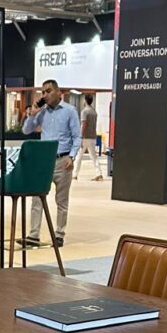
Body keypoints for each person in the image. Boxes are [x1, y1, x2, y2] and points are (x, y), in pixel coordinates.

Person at [22, 79, 80, 248]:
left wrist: (72, 156)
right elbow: (26, 130)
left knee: (61, 201)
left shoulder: (70, 111)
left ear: (58, 92)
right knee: (37, 198)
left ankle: (59, 234)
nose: (45, 95)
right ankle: (34, 235)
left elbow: (77, 137)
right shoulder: (41, 112)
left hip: (63, 161)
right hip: (44, 162)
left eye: (48, 91)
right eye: (43, 92)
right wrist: (32, 114)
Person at [74, 94, 104, 181]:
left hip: (85, 137)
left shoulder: (84, 111)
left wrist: (80, 136)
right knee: (94, 157)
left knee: (79, 156)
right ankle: (99, 173)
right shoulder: (94, 112)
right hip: (93, 137)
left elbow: (84, 124)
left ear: (85, 100)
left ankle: (75, 174)